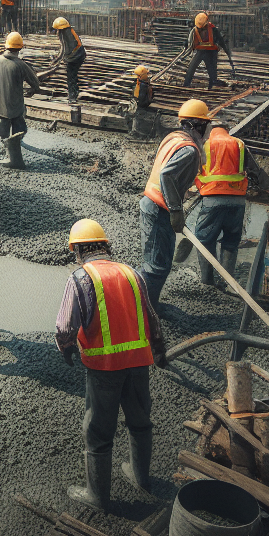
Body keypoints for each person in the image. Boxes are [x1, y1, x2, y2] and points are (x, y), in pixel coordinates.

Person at [56, 219, 167, 512]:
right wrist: (159, 349)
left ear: (77, 250)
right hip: (139, 363)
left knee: (98, 431)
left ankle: (97, 496)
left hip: (105, 367)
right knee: (140, 421)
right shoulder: (133, 274)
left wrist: (66, 348)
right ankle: (140, 477)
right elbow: (152, 318)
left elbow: (66, 326)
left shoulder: (80, 278)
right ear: (106, 246)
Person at [139, 99, 211, 308]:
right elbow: (167, 175)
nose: (208, 132)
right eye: (206, 126)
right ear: (199, 125)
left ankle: (149, 305)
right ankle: (147, 312)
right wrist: (176, 211)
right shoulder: (188, 150)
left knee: (158, 263)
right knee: (156, 266)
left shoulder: (173, 138)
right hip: (159, 208)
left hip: (155, 205)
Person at [193, 122, 269, 286]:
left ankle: (207, 282)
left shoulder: (204, 144)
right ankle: (226, 282)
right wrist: (266, 188)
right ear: (227, 130)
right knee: (230, 241)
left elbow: (193, 170)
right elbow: (254, 171)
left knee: (204, 239)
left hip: (212, 199)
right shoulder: (238, 144)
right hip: (237, 201)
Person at [0, 32, 40, 169]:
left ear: (6, 46)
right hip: (16, 107)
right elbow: (35, 84)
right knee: (20, 129)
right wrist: (31, 91)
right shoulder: (20, 65)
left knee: (4, 130)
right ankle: (15, 157)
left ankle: (8, 150)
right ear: (20, 48)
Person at [183, 12, 235, 90]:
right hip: (200, 51)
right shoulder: (195, 29)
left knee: (212, 71)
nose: (201, 29)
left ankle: (212, 86)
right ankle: (186, 85)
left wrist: (227, 53)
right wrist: (186, 44)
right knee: (191, 68)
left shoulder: (213, 30)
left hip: (211, 52)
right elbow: (190, 39)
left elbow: (221, 41)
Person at [51, 17, 87, 103]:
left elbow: (69, 49)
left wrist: (62, 58)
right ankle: (74, 93)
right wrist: (57, 59)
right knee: (72, 76)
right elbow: (63, 48)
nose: (56, 32)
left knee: (71, 77)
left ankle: (72, 97)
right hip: (76, 56)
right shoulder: (67, 31)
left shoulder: (67, 34)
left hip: (77, 56)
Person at [125, 65, 156, 140]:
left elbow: (141, 97)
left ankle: (137, 133)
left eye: (138, 76)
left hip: (142, 104)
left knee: (136, 116)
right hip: (142, 102)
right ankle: (135, 131)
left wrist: (137, 102)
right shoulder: (144, 83)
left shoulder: (143, 85)